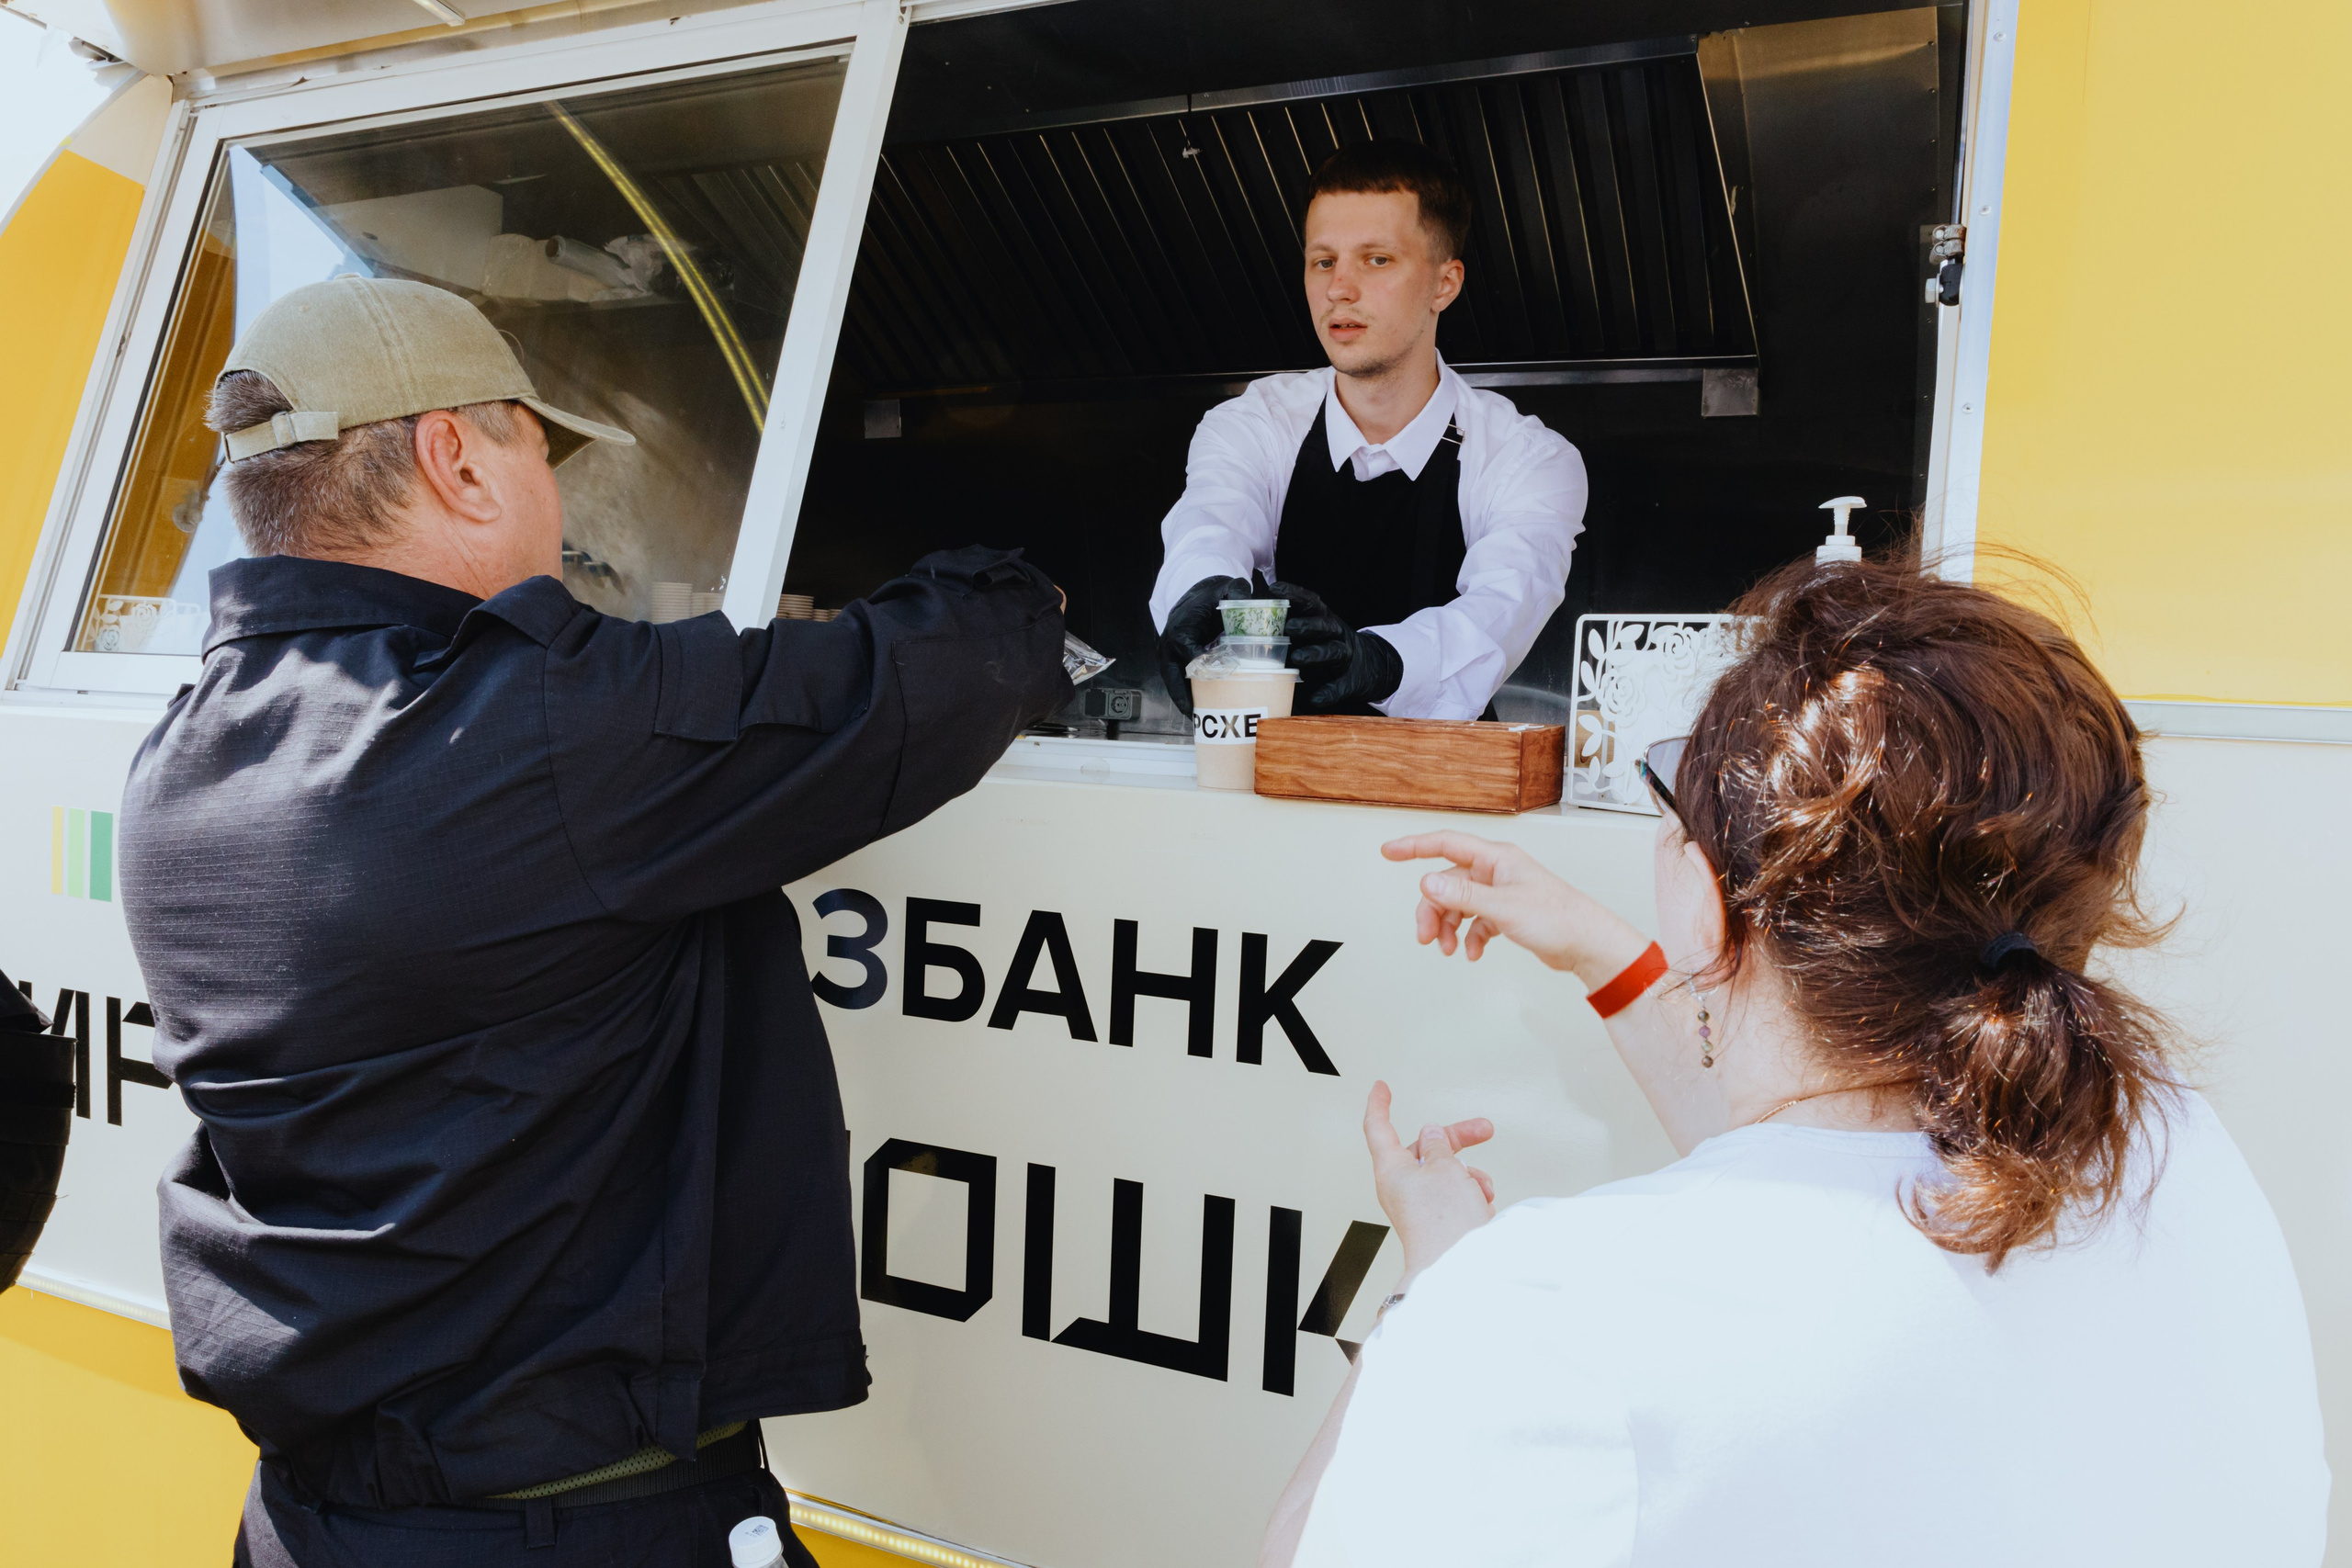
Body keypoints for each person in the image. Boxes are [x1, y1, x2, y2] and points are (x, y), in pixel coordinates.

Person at [118, 276, 1071, 1566]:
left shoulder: (176, 760)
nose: (561, 505)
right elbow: (944, 672)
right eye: (536, 447)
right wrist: (1022, 583)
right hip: (581, 1528)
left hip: (308, 1523)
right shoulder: (545, 728)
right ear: (456, 456)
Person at [1263, 557, 2328, 1565]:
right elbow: (1822, 1175)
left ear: (1712, 898)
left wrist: (1436, 1282)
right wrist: (1610, 956)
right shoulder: (2166, 1144)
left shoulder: (1544, 1311)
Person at [1150, 140, 1587, 721]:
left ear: (1444, 285)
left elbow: (1502, 607)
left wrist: (1379, 662)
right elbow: (1210, 521)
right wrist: (1199, 596)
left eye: (1376, 259)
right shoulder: (1254, 423)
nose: (1339, 289)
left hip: (1447, 791)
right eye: (1323, 261)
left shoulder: (1527, 458)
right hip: (1275, 771)